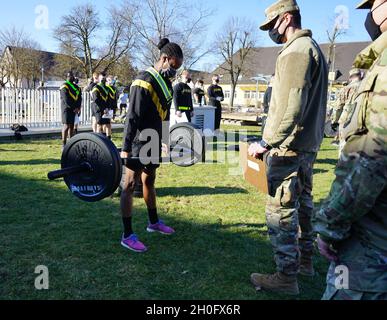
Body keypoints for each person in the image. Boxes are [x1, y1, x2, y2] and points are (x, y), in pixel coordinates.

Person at [249, 0, 328, 295]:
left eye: (272, 25)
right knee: (304, 205)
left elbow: (291, 105)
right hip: (306, 146)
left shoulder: (296, 51)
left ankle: (286, 276)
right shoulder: (313, 47)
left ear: (285, 19)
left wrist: (266, 143)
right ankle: (305, 262)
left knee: (280, 210)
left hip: (288, 147)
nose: (271, 32)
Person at [313, 0, 387, 301]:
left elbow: (374, 160)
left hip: (372, 246)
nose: (370, 15)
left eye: (373, 4)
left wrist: (331, 225)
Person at [120, 38, 183, 253]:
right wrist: (126, 147)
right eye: (174, 66)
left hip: (154, 140)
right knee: (129, 185)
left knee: (150, 180)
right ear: (165, 59)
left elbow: (164, 115)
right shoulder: (142, 80)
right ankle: (127, 235)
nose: (175, 72)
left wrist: (165, 140)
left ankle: (153, 222)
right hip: (138, 141)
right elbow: (132, 117)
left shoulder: (166, 83)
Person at [331, 69, 363, 149]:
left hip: (346, 120)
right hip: (362, 120)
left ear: (350, 77)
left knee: (344, 146)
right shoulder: (367, 88)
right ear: (360, 76)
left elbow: (338, 107)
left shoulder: (345, 89)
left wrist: (334, 121)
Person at [60, 71, 82, 148]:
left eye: (72, 76)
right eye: (69, 76)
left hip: (75, 109)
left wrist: (78, 108)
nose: (71, 77)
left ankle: (71, 143)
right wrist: (74, 108)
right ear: (67, 77)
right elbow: (66, 99)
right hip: (66, 108)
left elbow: (79, 98)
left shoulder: (77, 88)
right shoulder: (64, 86)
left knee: (72, 126)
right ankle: (64, 144)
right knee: (66, 126)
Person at [91, 72, 112, 140]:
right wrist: (103, 108)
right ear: (99, 78)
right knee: (99, 125)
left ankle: (107, 140)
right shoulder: (96, 87)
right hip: (98, 109)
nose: (103, 79)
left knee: (107, 124)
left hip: (106, 109)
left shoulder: (107, 88)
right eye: (102, 78)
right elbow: (96, 100)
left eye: (104, 78)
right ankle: (98, 141)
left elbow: (109, 99)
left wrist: (108, 108)